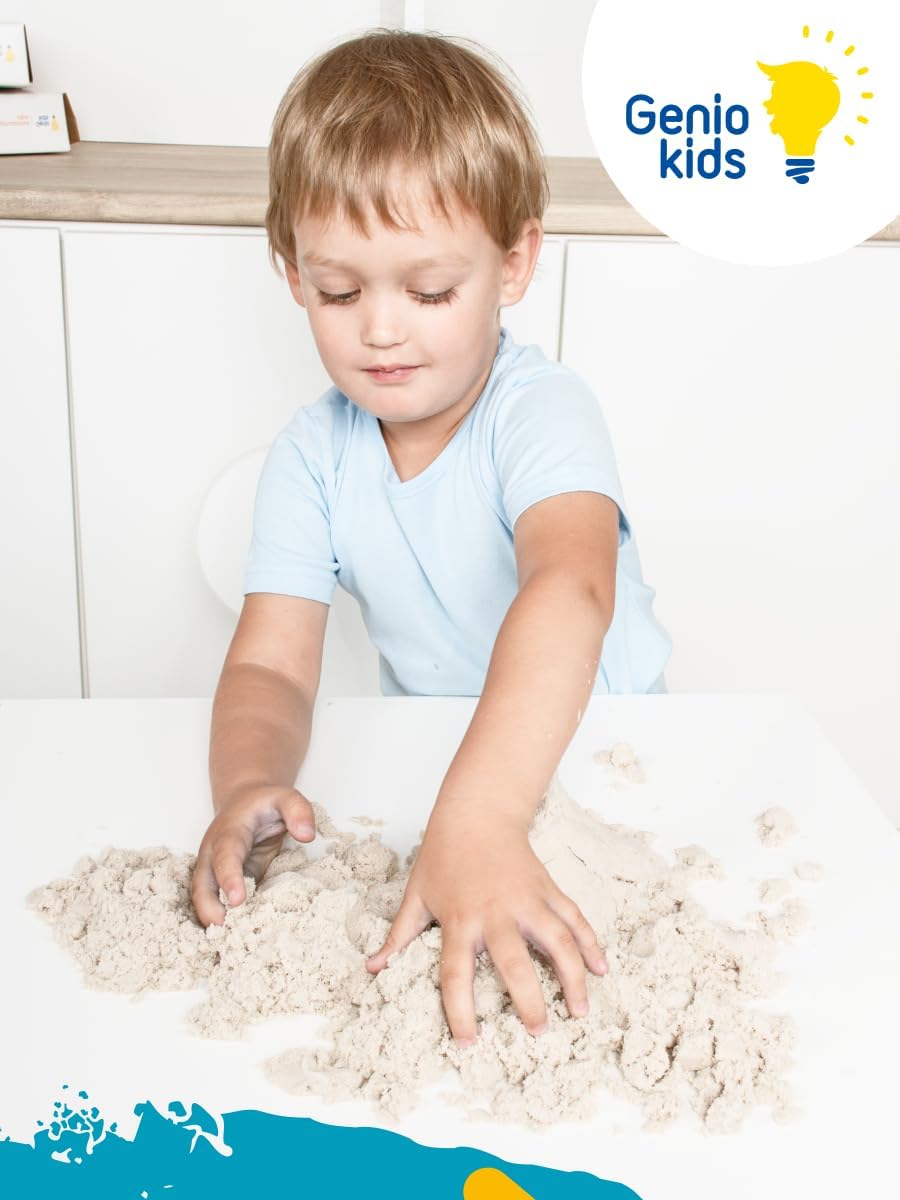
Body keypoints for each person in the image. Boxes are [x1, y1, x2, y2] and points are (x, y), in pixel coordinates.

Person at [190, 28, 672, 1047]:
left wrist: (487, 817)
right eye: (340, 290)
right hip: (447, 769)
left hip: (606, 760)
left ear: (514, 263)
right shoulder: (312, 456)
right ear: (292, 272)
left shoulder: (541, 413)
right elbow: (272, 668)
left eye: (430, 291)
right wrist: (245, 784)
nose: (381, 329)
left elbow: (570, 592)